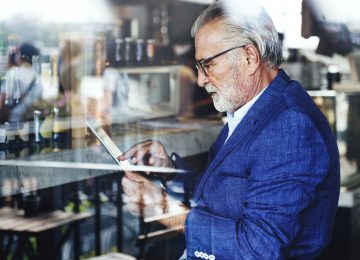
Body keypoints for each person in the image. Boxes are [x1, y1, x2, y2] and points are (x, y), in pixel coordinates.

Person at [119, 1, 340, 259]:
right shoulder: (253, 107)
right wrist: (170, 173)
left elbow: (258, 249)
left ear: (249, 57)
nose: (200, 80)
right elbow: (225, 196)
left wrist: (164, 208)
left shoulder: (290, 126)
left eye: (207, 65)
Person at [0, 42, 43, 123]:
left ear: (21, 55)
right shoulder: (38, 78)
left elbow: (2, 98)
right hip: (28, 123)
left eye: (18, 52)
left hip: (10, 121)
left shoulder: (13, 73)